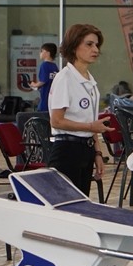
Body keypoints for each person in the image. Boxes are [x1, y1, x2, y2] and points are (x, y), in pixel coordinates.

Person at [48, 24, 110, 196]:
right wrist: (90, 127)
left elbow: (92, 121)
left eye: (96, 45)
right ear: (74, 46)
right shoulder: (65, 78)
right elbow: (56, 121)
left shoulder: (90, 80)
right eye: (89, 44)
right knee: (66, 205)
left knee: (82, 203)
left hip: (86, 149)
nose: (95, 49)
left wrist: (97, 152)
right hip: (67, 150)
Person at [29, 42, 59, 113]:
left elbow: (43, 81)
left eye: (42, 51)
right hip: (53, 98)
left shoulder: (44, 65)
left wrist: (34, 85)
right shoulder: (54, 66)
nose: (40, 53)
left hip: (45, 99)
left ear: (47, 53)